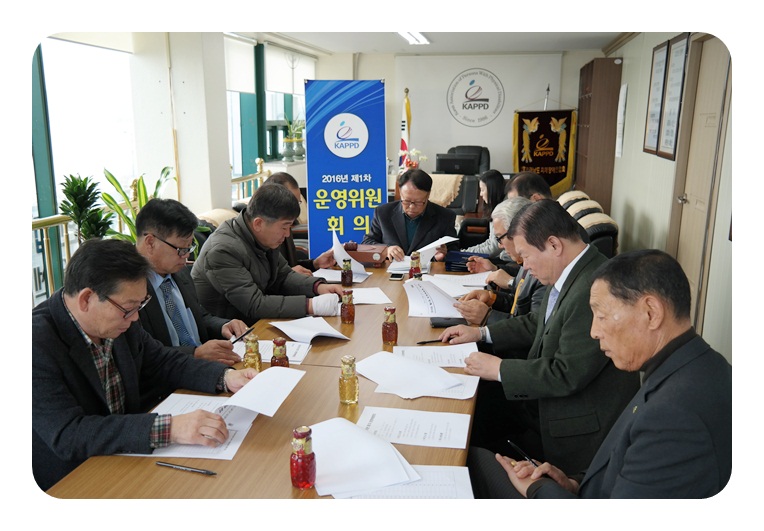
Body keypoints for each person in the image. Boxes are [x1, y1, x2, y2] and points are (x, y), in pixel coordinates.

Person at [469, 249, 732, 499]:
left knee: (477, 463)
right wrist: (572, 483)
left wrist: (538, 489)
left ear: (651, 313)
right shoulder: (692, 365)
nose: (594, 332)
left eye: (602, 316)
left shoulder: (675, 415)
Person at [32, 239, 258, 491]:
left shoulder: (120, 318)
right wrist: (170, 428)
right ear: (86, 299)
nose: (136, 317)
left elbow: (162, 361)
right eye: (129, 308)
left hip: (128, 457)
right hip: (75, 478)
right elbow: (68, 434)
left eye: (140, 305)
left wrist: (225, 377)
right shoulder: (35, 344)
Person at [439, 199, 640, 474]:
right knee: (470, 409)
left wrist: (499, 369)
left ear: (554, 245)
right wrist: (481, 333)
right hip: (543, 401)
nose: (523, 264)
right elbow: (537, 323)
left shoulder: (593, 288)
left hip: (571, 425)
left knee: (470, 440)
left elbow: (566, 373)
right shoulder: (572, 272)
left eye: (526, 255)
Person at [192, 184, 345, 323]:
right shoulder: (223, 250)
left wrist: (317, 287)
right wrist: (311, 305)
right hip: (231, 333)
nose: (287, 234)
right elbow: (254, 304)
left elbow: (283, 275)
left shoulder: (260, 236)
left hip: (259, 322)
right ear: (258, 223)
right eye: (284, 227)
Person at [135, 198, 248, 369]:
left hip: (205, 367)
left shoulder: (180, 272)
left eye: (189, 248)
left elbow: (200, 317)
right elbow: (144, 354)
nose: (186, 255)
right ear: (150, 242)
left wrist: (224, 326)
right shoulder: (128, 289)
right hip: (170, 377)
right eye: (181, 249)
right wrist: (194, 353)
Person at [467, 171, 590, 276]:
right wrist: (496, 269)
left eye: (518, 203)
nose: (515, 212)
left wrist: (508, 281)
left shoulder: (558, 232)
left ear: (536, 199)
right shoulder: (548, 222)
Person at [453, 196, 545, 326]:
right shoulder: (525, 262)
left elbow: (532, 328)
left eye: (499, 238)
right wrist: (492, 298)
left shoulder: (543, 270)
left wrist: (487, 317)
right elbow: (518, 305)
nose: (500, 246)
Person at [363, 168, 458, 262]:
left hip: (428, 270)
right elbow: (367, 243)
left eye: (419, 202)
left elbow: (454, 251)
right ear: (400, 192)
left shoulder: (445, 217)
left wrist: (442, 256)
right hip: (390, 270)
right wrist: (386, 249)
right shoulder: (383, 213)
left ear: (428, 195)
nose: (412, 207)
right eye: (407, 201)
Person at [264, 172, 336, 276]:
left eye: (298, 203)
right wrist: (289, 274)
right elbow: (264, 279)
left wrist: (315, 264)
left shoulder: (286, 224)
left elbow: (291, 266)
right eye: (292, 203)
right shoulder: (262, 233)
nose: (296, 209)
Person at [460, 169, 507, 258]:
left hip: (505, 260)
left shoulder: (502, 212)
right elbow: (490, 242)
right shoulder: (495, 208)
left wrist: (465, 254)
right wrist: (466, 252)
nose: (481, 194)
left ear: (492, 190)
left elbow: (494, 248)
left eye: (482, 190)